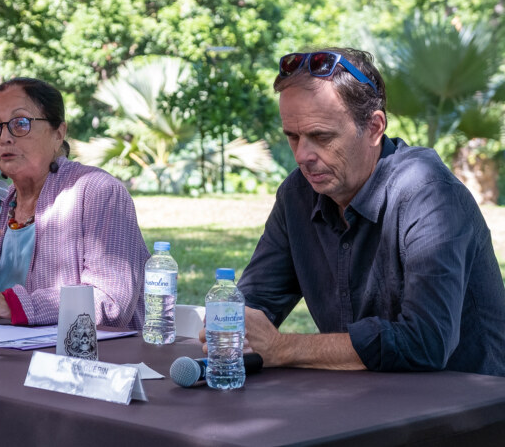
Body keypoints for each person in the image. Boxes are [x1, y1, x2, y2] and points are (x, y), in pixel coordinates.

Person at [201, 48, 505, 376]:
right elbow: (252, 307)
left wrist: (282, 347)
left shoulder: (427, 190)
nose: (303, 155)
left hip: (469, 409)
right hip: (363, 402)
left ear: (375, 127)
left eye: (321, 136)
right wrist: (232, 326)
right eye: (293, 137)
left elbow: (426, 342)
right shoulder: (298, 194)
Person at [0, 77, 149, 329]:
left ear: (58, 133)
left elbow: (111, 302)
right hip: (4, 354)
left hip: (85, 361)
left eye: (20, 124)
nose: (4, 138)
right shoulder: (1, 206)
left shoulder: (98, 192)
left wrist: (13, 305)